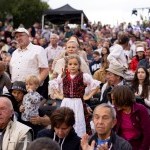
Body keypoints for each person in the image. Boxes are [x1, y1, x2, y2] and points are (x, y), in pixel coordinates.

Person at [49, 55, 100, 137]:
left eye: (75, 64)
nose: (72, 66)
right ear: (67, 65)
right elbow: (54, 83)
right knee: (64, 119)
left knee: (78, 120)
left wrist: (88, 96)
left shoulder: (83, 76)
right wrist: (58, 94)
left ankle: (78, 138)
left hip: (78, 103)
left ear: (79, 65)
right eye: (70, 64)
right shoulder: (63, 76)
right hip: (66, 102)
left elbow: (96, 85)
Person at [9, 27, 49, 99]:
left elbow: (45, 70)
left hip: (32, 89)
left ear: (28, 36)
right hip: (16, 89)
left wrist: (35, 85)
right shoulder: (14, 53)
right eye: (16, 37)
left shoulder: (38, 49)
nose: (18, 38)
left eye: (21, 35)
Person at [111, 85, 150, 150]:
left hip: (137, 145)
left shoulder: (140, 109)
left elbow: (147, 133)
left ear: (122, 98)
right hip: (121, 145)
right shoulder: (115, 111)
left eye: (114, 100)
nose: (113, 103)